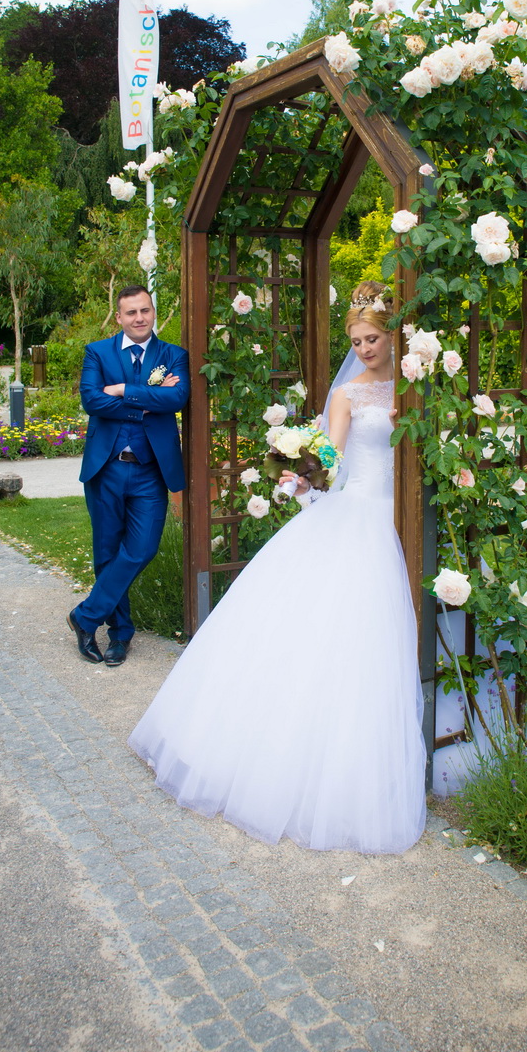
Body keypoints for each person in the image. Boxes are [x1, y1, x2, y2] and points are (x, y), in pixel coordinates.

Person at [128, 282, 426, 854]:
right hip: (361, 514)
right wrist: (304, 474)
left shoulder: (416, 385)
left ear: (394, 335)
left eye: (373, 339)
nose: (364, 349)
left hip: (408, 513)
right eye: (357, 341)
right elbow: (332, 458)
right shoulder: (347, 396)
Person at [68, 285, 190, 667]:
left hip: (150, 471)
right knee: (106, 553)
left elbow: (177, 398)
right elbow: (92, 399)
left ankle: (85, 616)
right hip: (106, 469)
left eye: (145, 310)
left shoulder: (173, 356)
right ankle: (119, 635)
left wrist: (122, 391)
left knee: (142, 548)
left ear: (154, 312)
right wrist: (143, 403)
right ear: (118, 317)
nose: (139, 318)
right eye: (131, 312)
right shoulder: (98, 352)